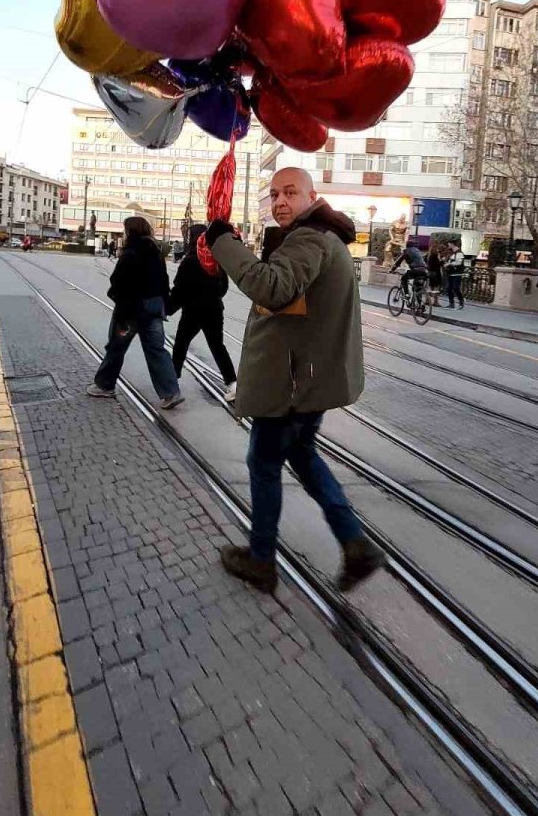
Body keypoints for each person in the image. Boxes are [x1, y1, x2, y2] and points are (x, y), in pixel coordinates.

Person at [205, 167, 385, 594]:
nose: (280, 201)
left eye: (290, 193)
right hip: (308, 380)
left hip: (292, 384)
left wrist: (222, 241)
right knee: (302, 455)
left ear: (311, 196)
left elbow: (272, 287)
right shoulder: (324, 237)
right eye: (274, 195)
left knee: (264, 463)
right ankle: (355, 543)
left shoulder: (309, 239)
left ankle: (261, 559)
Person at [87, 216, 182, 408]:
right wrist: (164, 306)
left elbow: (118, 281)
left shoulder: (131, 252)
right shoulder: (155, 251)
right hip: (153, 310)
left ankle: (105, 385)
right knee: (157, 350)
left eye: (125, 230)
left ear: (130, 231)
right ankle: (171, 392)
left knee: (116, 347)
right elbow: (164, 281)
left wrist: (118, 303)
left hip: (130, 312)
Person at [168, 224, 237, 401]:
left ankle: (171, 384)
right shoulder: (215, 260)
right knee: (217, 347)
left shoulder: (189, 261)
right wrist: (213, 297)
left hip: (192, 312)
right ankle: (232, 384)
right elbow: (223, 287)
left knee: (180, 345)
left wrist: (167, 309)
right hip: (214, 310)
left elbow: (179, 291)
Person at [445, 242, 466, 309]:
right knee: (449, 288)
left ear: (452, 244)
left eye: (449, 244)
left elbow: (459, 262)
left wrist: (449, 264)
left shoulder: (459, 253)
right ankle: (451, 303)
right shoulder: (452, 253)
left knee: (455, 288)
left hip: (457, 273)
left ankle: (461, 301)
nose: (448, 245)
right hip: (451, 273)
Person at [426, 241, 444, 306]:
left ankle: (427, 300)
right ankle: (435, 302)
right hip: (436, 273)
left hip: (430, 273)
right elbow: (437, 265)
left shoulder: (429, 255)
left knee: (430, 287)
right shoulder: (435, 256)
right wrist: (442, 261)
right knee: (436, 288)